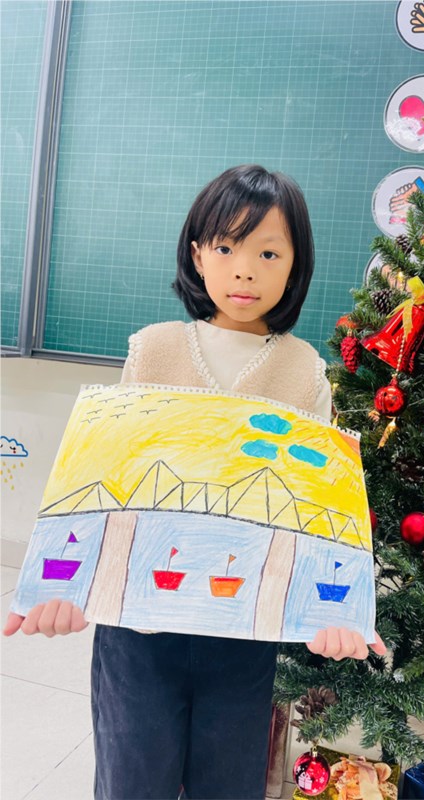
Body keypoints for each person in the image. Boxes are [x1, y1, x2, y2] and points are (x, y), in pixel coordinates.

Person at [3, 165, 386, 800]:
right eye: (227, 247)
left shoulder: (303, 371)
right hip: (138, 630)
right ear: (197, 253)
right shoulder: (154, 350)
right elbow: (108, 480)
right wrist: (65, 585)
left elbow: (317, 505)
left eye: (268, 253)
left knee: (228, 782)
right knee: (132, 779)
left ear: (295, 266)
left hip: (243, 633)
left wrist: (335, 612)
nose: (245, 271)